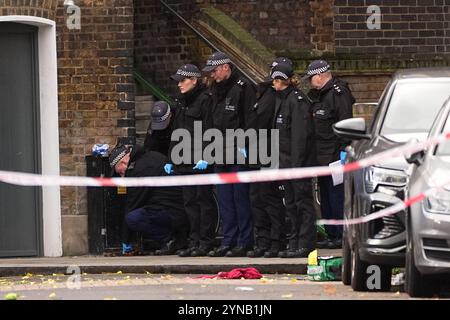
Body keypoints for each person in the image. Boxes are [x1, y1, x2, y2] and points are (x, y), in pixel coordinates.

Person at [202, 51, 257, 257]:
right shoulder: (214, 91)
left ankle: (245, 241)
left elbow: (250, 120)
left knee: (240, 199)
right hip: (219, 152)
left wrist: (247, 146)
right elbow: (210, 122)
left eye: (215, 70)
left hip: (239, 152)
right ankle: (228, 239)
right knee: (225, 200)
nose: (213, 75)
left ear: (226, 67)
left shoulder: (243, 88)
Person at [164, 64, 218, 257]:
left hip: (200, 160)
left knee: (203, 202)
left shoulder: (205, 100)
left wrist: (206, 156)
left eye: (183, 80)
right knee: (189, 204)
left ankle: (206, 242)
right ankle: (193, 241)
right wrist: (171, 157)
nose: (179, 85)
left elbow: (211, 131)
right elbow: (176, 133)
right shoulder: (181, 102)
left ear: (194, 80)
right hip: (184, 159)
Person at [302, 60, 355, 249]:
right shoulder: (320, 96)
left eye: (311, 78)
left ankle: (340, 234)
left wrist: (343, 150)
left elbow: (345, 123)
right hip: (321, 155)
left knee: (336, 197)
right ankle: (331, 233)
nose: (310, 83)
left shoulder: (338, 94)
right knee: (324, 196)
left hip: (334, 155)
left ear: (320, 75)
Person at [270, 63, 317, 258]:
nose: (274, 83)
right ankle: (295, 241)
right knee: (290, 203)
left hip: (297, 165)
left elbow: (300, 137)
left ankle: (305, 243)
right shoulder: (283, 99)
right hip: (285, 162)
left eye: (278, 79)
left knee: (302, 203)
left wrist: (296, 167)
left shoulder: (296, 100)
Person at [109, 144, 189, 255]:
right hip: (181, 206)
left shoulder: (138, 171)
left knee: (133, 218)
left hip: (171, 212)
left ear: (124, 162)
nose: (121, 176)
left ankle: (169, 240)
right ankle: (177, 238)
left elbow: (132, 204)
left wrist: (125, 240)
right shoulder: (152, 155)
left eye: (120, 172)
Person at [246, 58, 290, 258]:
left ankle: (276, 240)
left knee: (270, 200)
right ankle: (263, 240)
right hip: (257, 151)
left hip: (269, 152)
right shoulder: (263, 93)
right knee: (257, 200)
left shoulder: (278, 97)